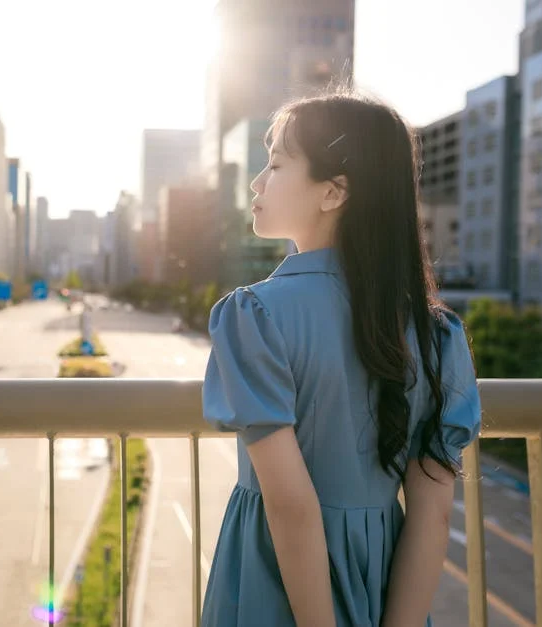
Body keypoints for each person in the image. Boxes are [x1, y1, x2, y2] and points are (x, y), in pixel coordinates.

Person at [201, 91, 482, 627]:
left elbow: (291, 506)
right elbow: (433, 515)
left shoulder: (254, 315)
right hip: (382, 587)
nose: (258, 182)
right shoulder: (437, 334)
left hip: (276, 587)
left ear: (333, 192)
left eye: (276, 164)